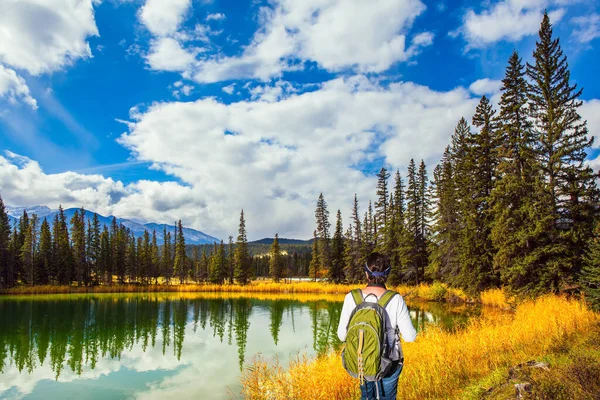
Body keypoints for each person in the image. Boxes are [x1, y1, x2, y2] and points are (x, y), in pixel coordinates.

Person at [337, 252, 417, 400]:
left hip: (362, 361)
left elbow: (342, 335)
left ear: (367, 274)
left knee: (366, 397)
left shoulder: (351, 297)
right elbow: (410, 337)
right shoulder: (396, 299)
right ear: (386, 275)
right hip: (390, 363)